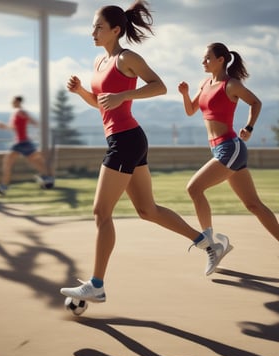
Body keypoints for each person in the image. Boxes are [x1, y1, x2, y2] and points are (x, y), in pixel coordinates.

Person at [60, 2, 231, 304]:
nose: (93, 32)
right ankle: (207, 244)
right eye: (93, 27)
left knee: (101, 212)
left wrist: (126, 94)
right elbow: (103, 104)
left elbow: (160, 86)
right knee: (147, 210)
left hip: (126, 140)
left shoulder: (128, 58)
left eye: (98, 27)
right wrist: (81, 93)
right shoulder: (100, 62)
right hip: (125, 140)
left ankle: (97, 284)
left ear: (115, 30)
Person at [178, 42, 279, 272]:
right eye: (203, 59)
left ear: (220, 60)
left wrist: (249, 127)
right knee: (253, 204)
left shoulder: (231, 85)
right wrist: (185, 94)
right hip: (218, 149)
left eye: (207, 58)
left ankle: (211, 244)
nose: (203, 62)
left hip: (230, 147)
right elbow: (190, 110)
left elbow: (256, 102)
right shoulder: (205, 84)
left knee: (194, 188)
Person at [0, 96, 54, 195]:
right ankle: (47, 179)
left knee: (8, 162)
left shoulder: (20, 112)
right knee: (34, 161)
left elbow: (33, 122)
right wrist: (4, 126)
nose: (12, 103)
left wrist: (3, 125)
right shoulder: (17, 113)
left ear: (18, 102)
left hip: (22, 142)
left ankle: (4, 187)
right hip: (24, 142)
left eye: (13, 101)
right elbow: (15, 127)